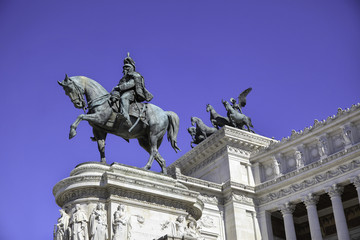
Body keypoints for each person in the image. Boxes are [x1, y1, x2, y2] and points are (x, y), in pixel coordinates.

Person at [110, 53, 153, 127]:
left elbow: (131, 84)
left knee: (124, 98)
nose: (125, 70)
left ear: (131, 68)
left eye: (127, 68)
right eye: (124, 68)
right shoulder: (123, 79)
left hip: (132, 93)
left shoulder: (135, 75)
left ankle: (125, 116)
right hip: (122, 92)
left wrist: (120, 87)